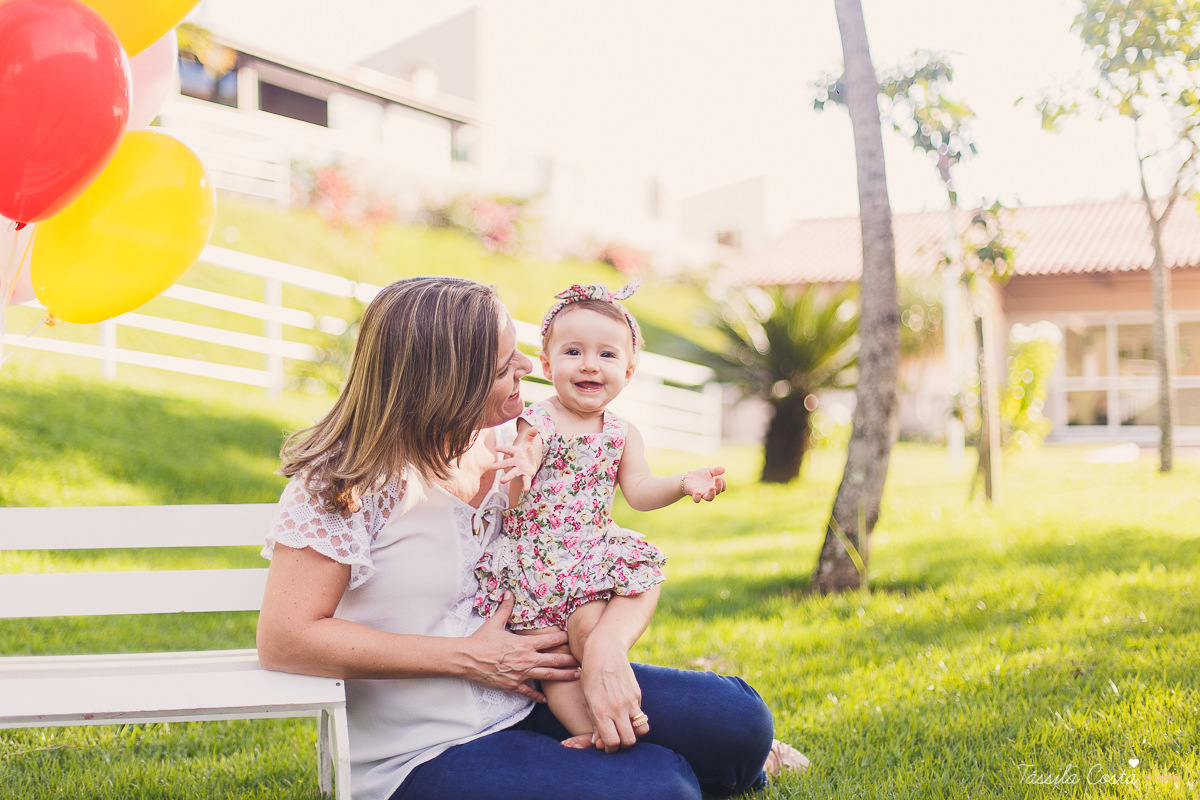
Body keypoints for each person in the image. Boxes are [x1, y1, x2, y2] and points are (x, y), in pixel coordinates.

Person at [256, 276, 807, 800]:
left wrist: (604, 650)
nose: (527, 365)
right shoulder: (344, 482)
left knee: (738, 723)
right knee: (659, 786)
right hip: (423, 745)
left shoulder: (511, 444)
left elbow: (585, 539)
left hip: (536, 688)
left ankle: (684, 765)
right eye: (504, 363)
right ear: (447, 382)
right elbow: (286, 638)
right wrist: (469, 658)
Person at [473, 281, 727, 749]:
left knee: (595, 627)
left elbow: (641, 492)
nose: (590, 364)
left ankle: (611, 697)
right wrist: (524, 463)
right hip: (538, 564)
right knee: (557, 661)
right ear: (548, 366)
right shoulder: (540, 418)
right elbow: (530, 447)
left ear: (628, 372)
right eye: (573, 352)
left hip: (589, 558)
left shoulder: (622, 432)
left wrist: (681, 483)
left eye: (607, 355)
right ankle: (590, 733)